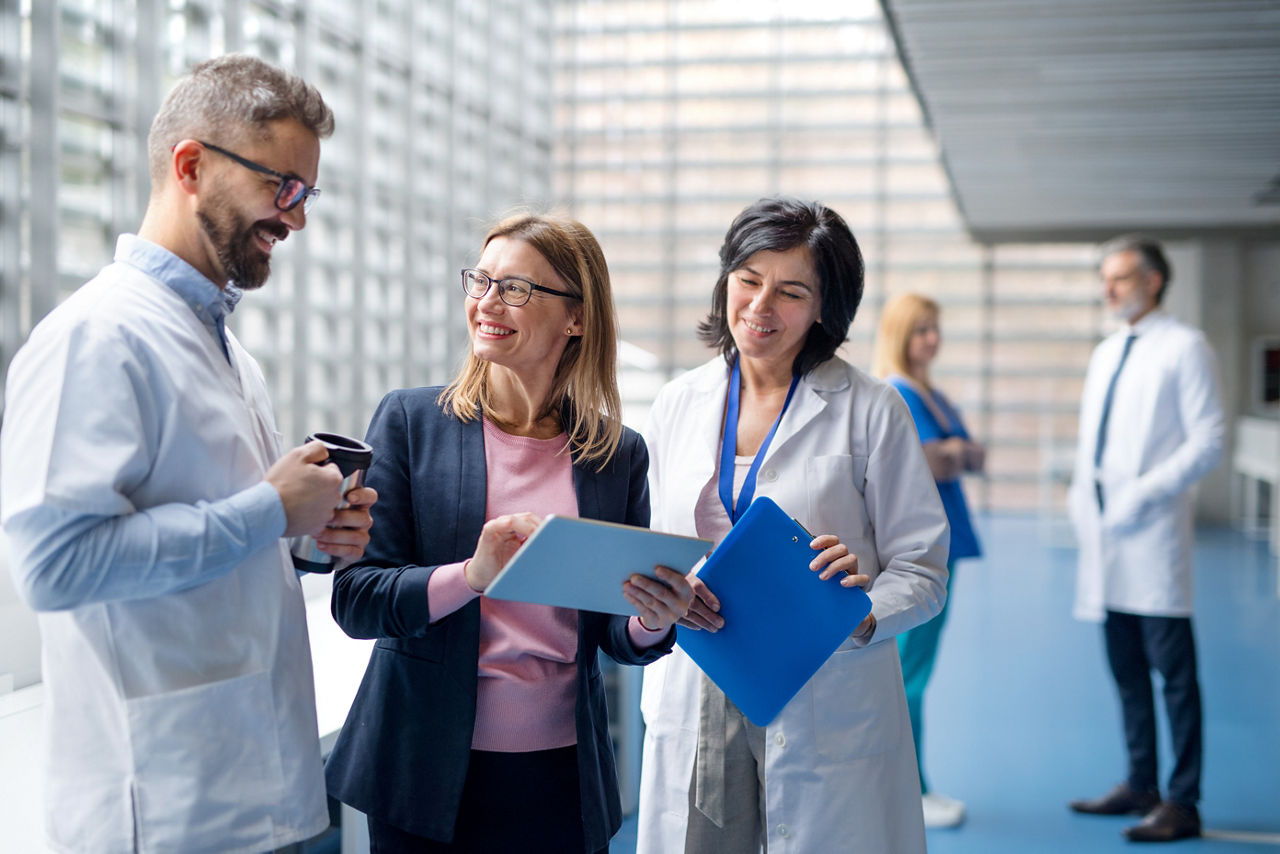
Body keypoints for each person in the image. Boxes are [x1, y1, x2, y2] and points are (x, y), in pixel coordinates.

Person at [0, 55, 377, 852]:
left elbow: (223, 530)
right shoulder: (93, 339)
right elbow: (55, 567)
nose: (297, 218)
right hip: (163, 810)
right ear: (191, 166)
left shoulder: (233, 354)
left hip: (257, 791)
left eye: (306, 194)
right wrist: (267, 509)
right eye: (284, 188)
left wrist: (308, 534)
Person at [323, 212, 695, 853]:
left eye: (517, 289)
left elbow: (613, 631)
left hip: (560, 777)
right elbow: (356, 599)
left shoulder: (616, 453)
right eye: (481, 281)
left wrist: (653, 618)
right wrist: (472, 576)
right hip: (423, 771)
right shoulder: (412, 422)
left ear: (576, 317)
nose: (488, 303)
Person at [636, 197, 951, 854]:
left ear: (823, 308)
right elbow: (648, 541)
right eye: (748, 280)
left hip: (823, 680)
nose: (760, 305)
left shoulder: (871, 409)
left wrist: (860, 611)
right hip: (701, 679)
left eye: (791, 291)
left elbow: (923, 570)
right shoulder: (677, 403)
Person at [1066, 236, 1224, 843]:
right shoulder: (1108, 352)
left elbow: (1207, 441)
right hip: (1105, 539)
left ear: (1154, 280)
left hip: (1151, 534)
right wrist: (1085, 503)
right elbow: (1092, 445)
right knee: (1126, 671)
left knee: (1174, 677)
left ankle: (1183, 800)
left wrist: (1139, 495)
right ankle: (1140, 783)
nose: (1108, 290)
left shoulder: (1186, 348)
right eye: (1104, 278)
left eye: (1121, 278)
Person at [872, 292, 983, 828]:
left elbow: (967, 454)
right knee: (909, 673)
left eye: (935, 329)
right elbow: (927, 462)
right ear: (900, 334)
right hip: (920, 552)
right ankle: (912, 787)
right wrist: (953, 453)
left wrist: (954, 453)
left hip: (945, 547)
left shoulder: (929, 394)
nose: (931, 340)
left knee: (916, 668)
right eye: (921, 331)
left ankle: (908, 781)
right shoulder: (899, 393)